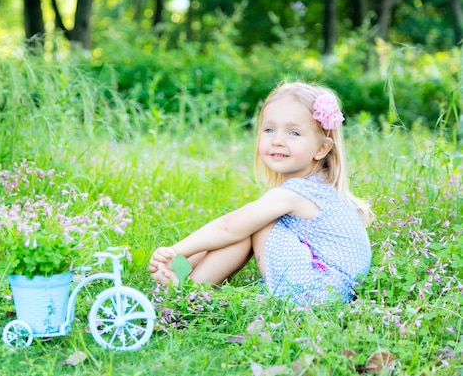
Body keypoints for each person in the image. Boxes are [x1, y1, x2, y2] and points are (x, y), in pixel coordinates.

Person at [148, 81, 374, 305]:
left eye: (294, 133)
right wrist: (178, 260)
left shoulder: (295, 193)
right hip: (330, 290)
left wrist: (176, 250)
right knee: (246, 224)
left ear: (322, 148)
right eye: (269, 130)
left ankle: (185, 298)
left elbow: (228, 228)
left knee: (249, 225)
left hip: (317, 291)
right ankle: (181, 274)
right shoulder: (320, 186)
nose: (277, 141)